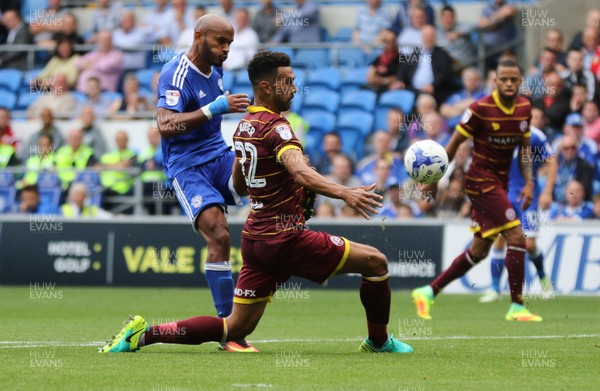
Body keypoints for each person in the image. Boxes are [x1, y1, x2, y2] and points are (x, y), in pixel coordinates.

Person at [99, 50, 414, 354]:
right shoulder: (277, 127)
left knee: (233, 328)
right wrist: (345, 192)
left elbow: (238, 183)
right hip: (286, 238)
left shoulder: (244, 127)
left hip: (256, 238)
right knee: (376, 262)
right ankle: (378, 342)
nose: (293, 88)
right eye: (287, 82)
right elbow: (300, 172)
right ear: (266, 86)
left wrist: (278, 180)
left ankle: (144, 334)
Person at [412, 60, 543, 322]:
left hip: (501, 182)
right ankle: (517, 306)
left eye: (513, 80)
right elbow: (453, 143)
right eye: (503, 79)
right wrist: (436, 178)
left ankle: (428, 291)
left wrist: (529, 182)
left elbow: (525, 151)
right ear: (495, 81)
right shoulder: (480, 109)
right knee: (517, 236)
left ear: (519, 82)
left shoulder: (524, 109)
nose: (508, 84)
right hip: (481, 182)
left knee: (479, 251)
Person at [152, 14, 253, 352]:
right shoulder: (175, 74)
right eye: (220, 42)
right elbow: (166, 125)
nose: (226, 49)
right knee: (220, 234)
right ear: (198, 37)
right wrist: (214, 109)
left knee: (260, 174)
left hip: (218, 155)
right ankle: (230, 332)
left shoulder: (217, 69)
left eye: (230, 43)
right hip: (187, 167)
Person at [480, 125, 558, 303]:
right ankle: (494, 289)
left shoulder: (536, 135)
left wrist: (547, 192)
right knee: (500, 239)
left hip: (527, 196)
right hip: (504, 194)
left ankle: (543, 278)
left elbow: (552, 161)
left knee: (529, 244)